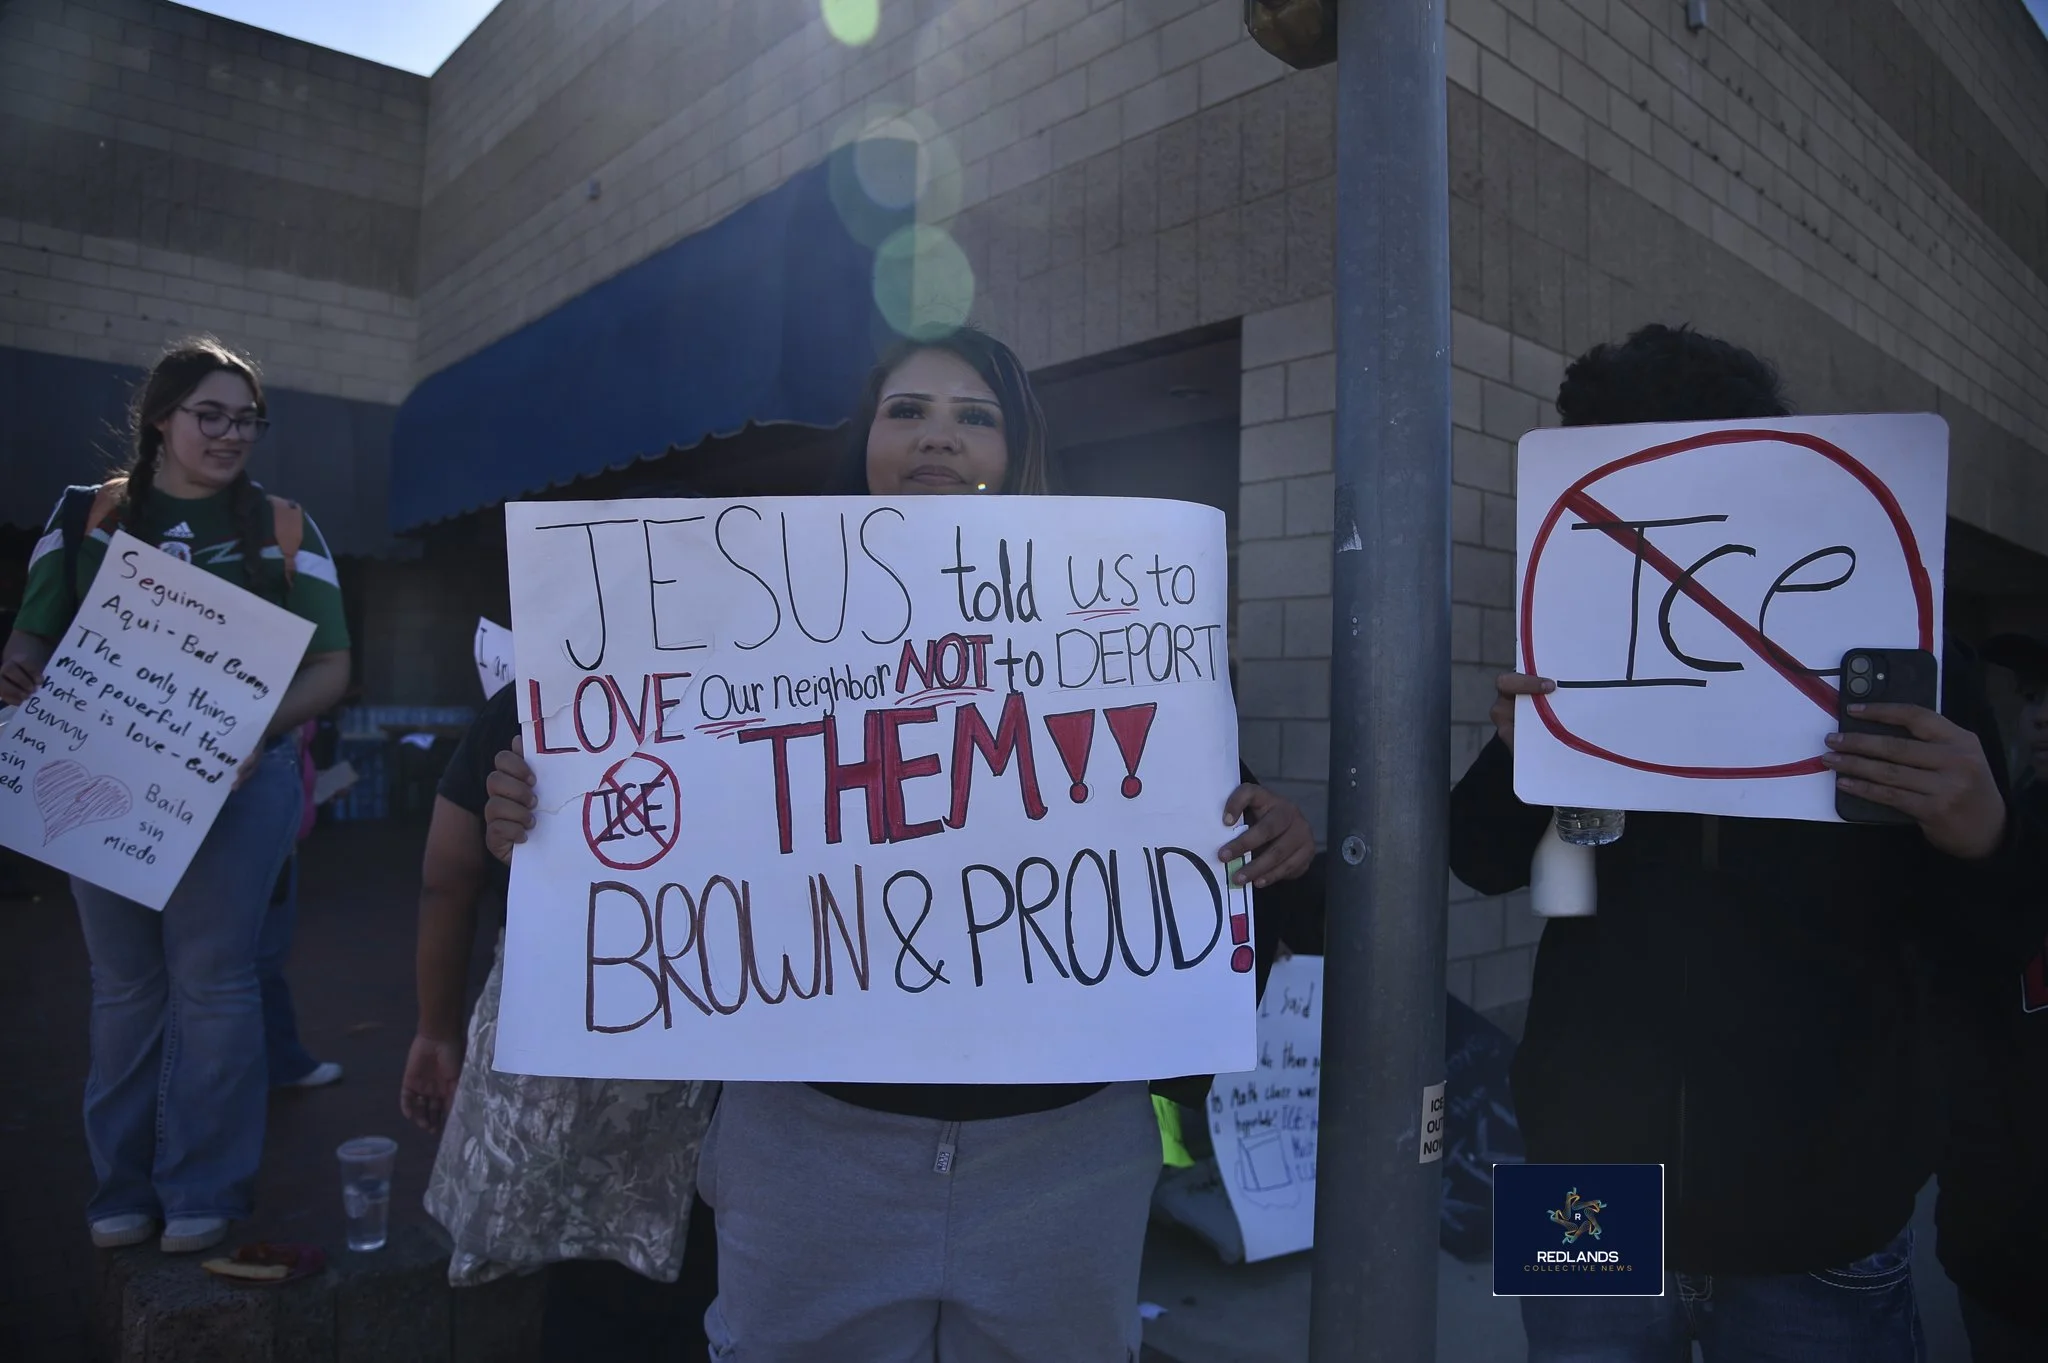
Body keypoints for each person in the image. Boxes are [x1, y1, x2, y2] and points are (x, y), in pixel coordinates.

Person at [482, 325, 1317, 1361]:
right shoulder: (736, 617)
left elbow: (1191, 832)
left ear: (1019, 454)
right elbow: (653, 803)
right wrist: (541, 807)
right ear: (864, 439)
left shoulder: (1128, 623)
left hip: (1062, 1150)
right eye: (906, 412)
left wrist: (1270, 838)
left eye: (977, 418)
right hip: (808, 1145)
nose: (939, 440)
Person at [1448, 324, 2013, 1361]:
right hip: (1585, 1167)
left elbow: (1985, 952)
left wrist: (1979, 837)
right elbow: (1477, 858)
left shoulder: (1913, 671)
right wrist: (1520, 753)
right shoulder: (1575, 657)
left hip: (1819, 1191)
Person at [0, 336, 352, 1254]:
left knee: (215, 982)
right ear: (162, 418)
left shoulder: (283, 526)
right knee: (124, 988)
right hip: (101, 778)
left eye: (247, 418)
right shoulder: (87, 517)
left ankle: (203, 1191)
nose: (232, 433)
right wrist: (21, 670)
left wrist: (258, 728)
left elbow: (333, 667)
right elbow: (34, 637)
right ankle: (119, 1190)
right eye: (212, 414)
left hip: (239, 788)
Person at [409, 664, 719, 1363]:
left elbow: (444, 878)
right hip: (740, 1094)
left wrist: (435, 1026)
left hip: (590, 1098)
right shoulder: (798, 684)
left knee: (597, 1297)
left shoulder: (536, 699)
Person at [1926, 632, 2048, 1361]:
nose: (2041, 716)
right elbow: (1498, 858)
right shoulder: (1984, 837)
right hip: (2007, 1259)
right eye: (2034, 697)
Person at [258, 718, 344, 1089]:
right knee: (256, 968)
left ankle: (279, 1061)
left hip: (280, 843)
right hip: (264, 852)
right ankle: (277, 1064)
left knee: (263, 964)